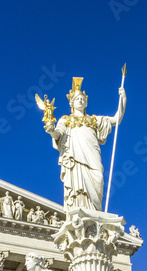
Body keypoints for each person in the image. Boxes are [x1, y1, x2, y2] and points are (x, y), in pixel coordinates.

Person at [45, 77, 126, 212]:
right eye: (77, 99)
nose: (81, 101)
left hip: (92, 155)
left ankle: (95, 213)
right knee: (77, 186)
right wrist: (52, 131)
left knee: (98, 178)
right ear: (72, 103)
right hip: (74, 157)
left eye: (83, 99)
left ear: (86, 102)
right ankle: (79, 212)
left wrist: (123, 100)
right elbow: (58, 135)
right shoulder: (65, 120)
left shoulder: (94, 120)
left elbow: (116, 119)